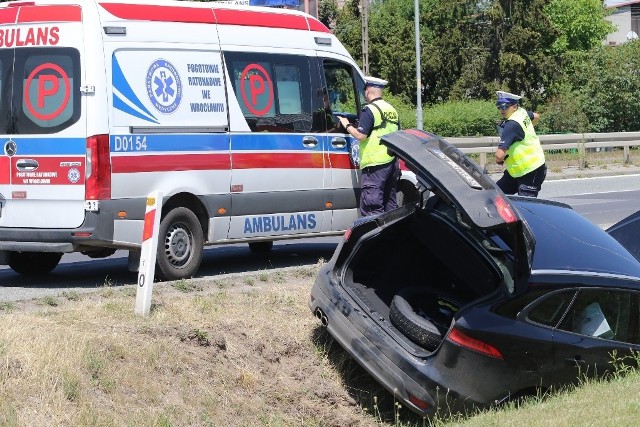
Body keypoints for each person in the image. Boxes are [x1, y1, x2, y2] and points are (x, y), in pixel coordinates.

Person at [337, 76, 400, 216]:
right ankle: (392, 236)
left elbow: (360, 135)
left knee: (372, 205)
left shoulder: (370, 110)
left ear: (368, 91)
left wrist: (346, 124)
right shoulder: (392, 110)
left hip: (375, 165)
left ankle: (375, 236)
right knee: (390, 204)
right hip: (392, 163)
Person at [494, 90, 546, 197]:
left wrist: (499, 161)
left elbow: (499, 155)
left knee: (526, 207)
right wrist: (530, 129)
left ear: (514, 106)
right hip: (516, 170)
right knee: (496, 195)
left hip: (531, 170)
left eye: (504, 106)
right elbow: (536, 116)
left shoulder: (511, 125)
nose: (501, 110)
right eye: (499, 106)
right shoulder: (521, 112)